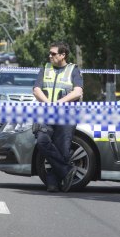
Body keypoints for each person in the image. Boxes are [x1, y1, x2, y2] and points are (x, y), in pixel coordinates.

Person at [33, 41, 84, 192]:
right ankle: (67, 171)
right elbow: (36, 90)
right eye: (50, 53)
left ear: (63, 55)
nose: (50, 56)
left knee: (62, 150)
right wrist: (49, 103)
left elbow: (77, 92)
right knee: (42, 141)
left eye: (53, 54)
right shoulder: (45, 68)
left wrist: (59, 103)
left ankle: (53, 182)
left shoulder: (73, 70)